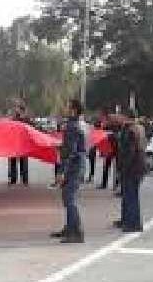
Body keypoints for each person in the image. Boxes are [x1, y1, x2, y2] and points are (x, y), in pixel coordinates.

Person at [50, 99, 87, 243]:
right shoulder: (78, 124)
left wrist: (62, 172)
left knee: (69, 199)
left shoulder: (72, 126)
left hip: (73, 167)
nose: (65, 108)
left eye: (67, 106)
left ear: (73, 110)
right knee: (67, 197)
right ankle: (70, 227)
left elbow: (71, 152)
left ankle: (76, 232)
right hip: (77, 165)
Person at [116, 117, 147, 233]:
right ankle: (127, 220)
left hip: (132, 168)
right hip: (138, 166)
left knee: (130, 196)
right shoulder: (138, 128)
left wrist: (123, 167)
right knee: (129, 195)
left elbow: (130, 151)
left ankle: (133, 223)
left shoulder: (130, 131)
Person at [8, 103, 30, 186]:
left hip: (23, 143)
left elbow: (31, 129)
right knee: (13, 161)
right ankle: (13, 180)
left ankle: (24, 180)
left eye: (17, 108)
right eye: (16, 109)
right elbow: (10, 128)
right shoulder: (14, 118)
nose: (16, 110)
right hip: (15, 143)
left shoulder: (26, 119)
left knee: (23, 161)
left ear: (21, 110)